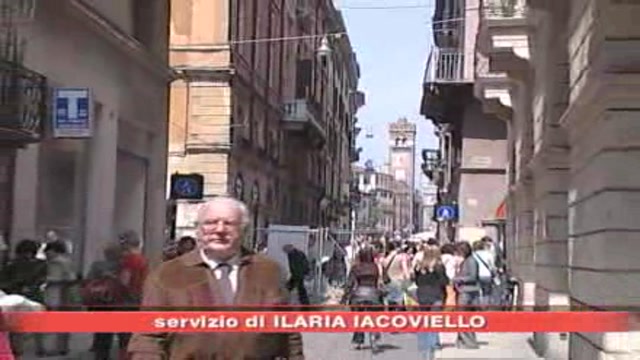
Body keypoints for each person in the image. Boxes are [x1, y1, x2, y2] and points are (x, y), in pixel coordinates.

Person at [127, 197, 304, 359]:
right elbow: (148, 338)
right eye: (211, 222)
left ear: (243, 229)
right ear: (199, 229)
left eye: (229, 223)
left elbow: (289, 333)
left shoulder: (269, 271)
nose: (219, 230)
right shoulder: (168, 274)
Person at [341, 247, 383, 350]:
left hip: (359, 294)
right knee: (374, 317)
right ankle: (374, 337)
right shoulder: (376, 267)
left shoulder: (356, 267)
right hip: (373, 294)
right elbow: (384, 280)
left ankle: (359, 340)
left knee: (358, 318)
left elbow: (349, 284)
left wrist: (345, 297)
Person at [413, 245, 448, 360]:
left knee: (424, 319)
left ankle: (424, 343)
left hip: (422, 294)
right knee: (435, 319)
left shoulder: (419, 267)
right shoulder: (439, 266)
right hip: (436, 294)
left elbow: (416, 281)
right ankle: (434, 343)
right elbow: (444, 281)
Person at [452, 242, 481, 349]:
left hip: (468, 292)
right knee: (463, 317)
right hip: (464, 291)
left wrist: (458, 279)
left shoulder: (472, 261)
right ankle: (463, 341)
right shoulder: (466, 261)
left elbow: (472, 277)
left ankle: (468, 342)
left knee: (463, 317)